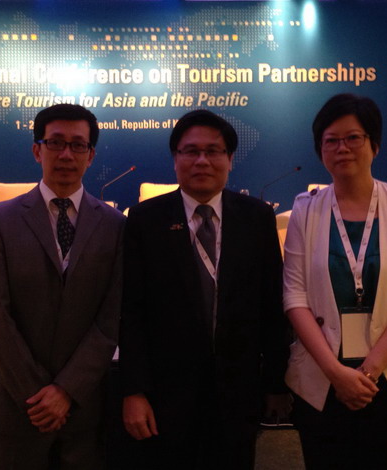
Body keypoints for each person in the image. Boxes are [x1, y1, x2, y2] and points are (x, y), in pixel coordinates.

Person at [119, 109, 291, 470]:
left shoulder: (257, 218)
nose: (202, 161)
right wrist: (133, 390)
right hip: (167, 395)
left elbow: (272, 305)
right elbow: (131, 312)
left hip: (238, 392)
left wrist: (276, 383)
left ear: (230, 159)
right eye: (190, 151)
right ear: (175, 158)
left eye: (213, 151)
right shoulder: (145, 220)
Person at [283, 93, 387, 469]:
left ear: (374, 144)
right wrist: (337, 374)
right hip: (323, 376)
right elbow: (294, 297)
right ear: (320, 149)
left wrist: (367, 372)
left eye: (353, 137)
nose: (342, 148)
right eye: (331, 140)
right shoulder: (305, 209)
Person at [0, 104, 124, 470]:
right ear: (37, 150)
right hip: (16, 402)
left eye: (78, 145)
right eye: (55, 143)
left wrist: (67, 390)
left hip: (83, 403)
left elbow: (110, 318)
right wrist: (38, 395)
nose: (66, 154)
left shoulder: (114, 224)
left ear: (90, 155)